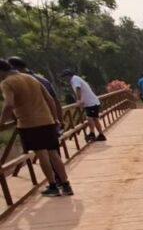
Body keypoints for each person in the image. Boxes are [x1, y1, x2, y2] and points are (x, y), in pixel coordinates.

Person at [0, 59, 73, 196]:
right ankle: (66, 185)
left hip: (30, 123)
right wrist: (55, 118)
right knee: (53, 154)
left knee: (42, 155)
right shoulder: (30, 78)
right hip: (47, 121)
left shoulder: (6, 83)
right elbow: (50, 99)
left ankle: (53, 186)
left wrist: (1, 122)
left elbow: (9, 105)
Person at [62, 68, 105, 142]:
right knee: (94, 119)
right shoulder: (75, 79)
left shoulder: (74, 79)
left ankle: (93, 134)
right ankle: (99, 135)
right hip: (90, 102)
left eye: (64, 77)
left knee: (90, 118)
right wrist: (81, 101)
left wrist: (78, 101)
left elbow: (78, 89)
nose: (64, 79)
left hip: (91, 103)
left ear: (68, 76)